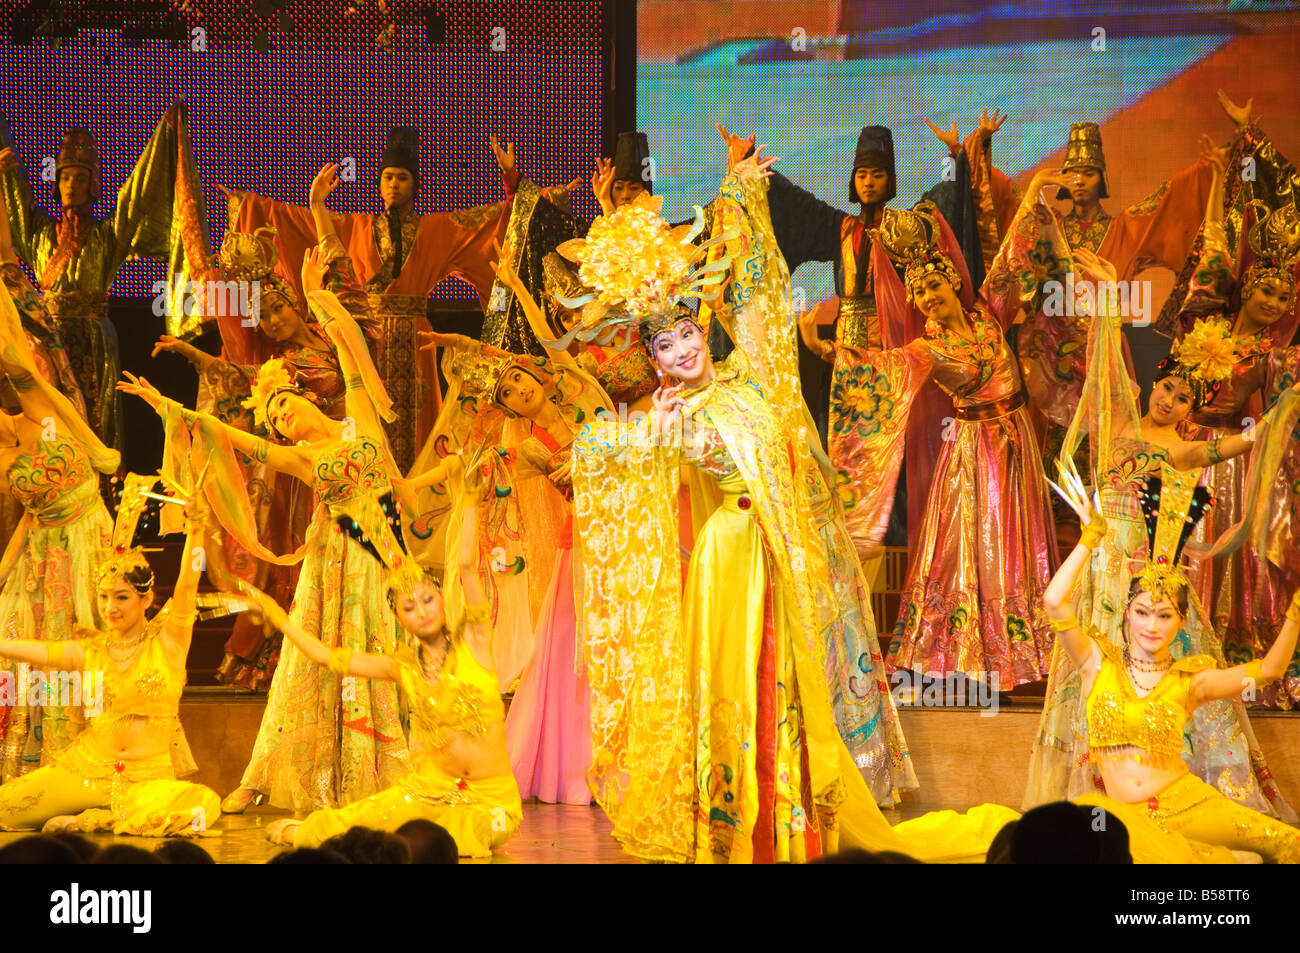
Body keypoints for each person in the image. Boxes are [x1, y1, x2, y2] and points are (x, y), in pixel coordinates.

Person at [571, 153, 1011, 862]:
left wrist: (741, 193)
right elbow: (602, 459)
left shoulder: (749, 388)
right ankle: (727, 821)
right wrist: (649, 426)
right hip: (724, 561)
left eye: (687, 335)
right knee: (728, 686)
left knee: (785, 678)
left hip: (777, 558)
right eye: (665, 344)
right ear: (653, 359)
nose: (682, 350)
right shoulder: (669, 416)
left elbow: (762, 302)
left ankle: (788, 816)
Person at [119, 164, 412, 815]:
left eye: (286, 407)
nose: (284, 413)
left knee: (377, 662)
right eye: (279, 411)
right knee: (304, 666)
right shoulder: (303, 455)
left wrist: (313, 221)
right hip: (327, 565)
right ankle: (264, 772)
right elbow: (246, 437)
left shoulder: (356, 414)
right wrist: (172, 408)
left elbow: (347, 328)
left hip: (372, 564)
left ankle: (373, 761)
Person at [1024, 245, 1299, 821]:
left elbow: (1224, 446)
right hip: (1099, 567)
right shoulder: (1119, 417)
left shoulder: (1178, 449)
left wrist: (1268, 423)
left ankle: (1158, 794)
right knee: (1092, 679)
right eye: (1168, 389)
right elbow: (1103, 364)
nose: (1172, 401)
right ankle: (1088, 802)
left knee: (1159, 678)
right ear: (1155, 385)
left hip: (1145, 581)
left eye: (1185, 399)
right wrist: (1104, 297)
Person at [828, 165, 1081, 688]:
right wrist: (837, 353)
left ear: (952, 283)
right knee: (980, 547)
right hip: (973, 455)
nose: (927, 299)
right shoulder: (930, 349)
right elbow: (887, 370)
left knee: (1016, 542)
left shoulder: (990, 313)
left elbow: (1013, 258)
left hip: (1016, 445)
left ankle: (1023, 646)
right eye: (919, 295)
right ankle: (968, 653)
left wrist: (1033, 197)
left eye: (934, 287)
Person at [243, 455, 524, 859]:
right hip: (430, 790)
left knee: (464, 832)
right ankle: (313, 831)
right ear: (398, 619)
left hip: (491, 801)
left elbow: (464, 565)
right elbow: (327, 657)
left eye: (428, 600)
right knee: (375, 819)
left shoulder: (475, 642)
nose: (422, 611)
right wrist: (277, 616)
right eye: (409, 608)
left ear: (442, 602)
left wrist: (470, 499)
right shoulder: (402, 666)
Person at [1041, 459, 1300, 862]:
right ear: (1126, 613)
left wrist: (1295, 614)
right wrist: (1089, 539)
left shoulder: (1189, 681)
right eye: (1142, 612)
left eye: (1164, 616)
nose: (1151, 625)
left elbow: (1269, 671)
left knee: (1288, 844)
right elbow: (1054, 602)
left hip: (1189, 806)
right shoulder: (1097, 664)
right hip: (1124, 821)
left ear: (1181, 623)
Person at [1157, 125, 1300, 707]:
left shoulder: (1271, 356)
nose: (1272, 304)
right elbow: (1212, 244)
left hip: (1233, 466)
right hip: (1180, 459)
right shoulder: (1200, 324)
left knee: (1229, 566)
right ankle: (1171, 654)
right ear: (1245, 292)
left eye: (1283, 300)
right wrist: (1220, 177)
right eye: (1265, 293)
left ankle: (1234, 665)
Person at [0, 474, 220, 836]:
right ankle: (95, 812)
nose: (110, 607)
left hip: (147, 781)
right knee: (7, 804)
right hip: (87, 772)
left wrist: (196, 527)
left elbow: (188, 583)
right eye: (104, 597)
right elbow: (40, 650)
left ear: (146, 599)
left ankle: (94, 819)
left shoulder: (169, 643)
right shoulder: (91, 649)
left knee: (200, 808)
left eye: (121, 597)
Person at [0, 104, 204, 449]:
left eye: (80, 177)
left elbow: (136, 197)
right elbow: (17, 202)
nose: (71, 185)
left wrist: (164, 138)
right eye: (65, 176)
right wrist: (5, 173)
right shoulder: (40, 236)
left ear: (92, 184)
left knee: (96, 417)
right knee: (51, 412)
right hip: (49, 337)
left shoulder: (106, 237)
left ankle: (103, 486)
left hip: (94, 337)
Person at [0, 277, 116, 780]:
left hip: (88, 538)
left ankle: (98, 755)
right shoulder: (4, 447)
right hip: (43, 552)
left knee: (87, 639)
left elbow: (20, 363)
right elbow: (30, 512)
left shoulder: (44, 411)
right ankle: (42, 761)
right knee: (32, 652)